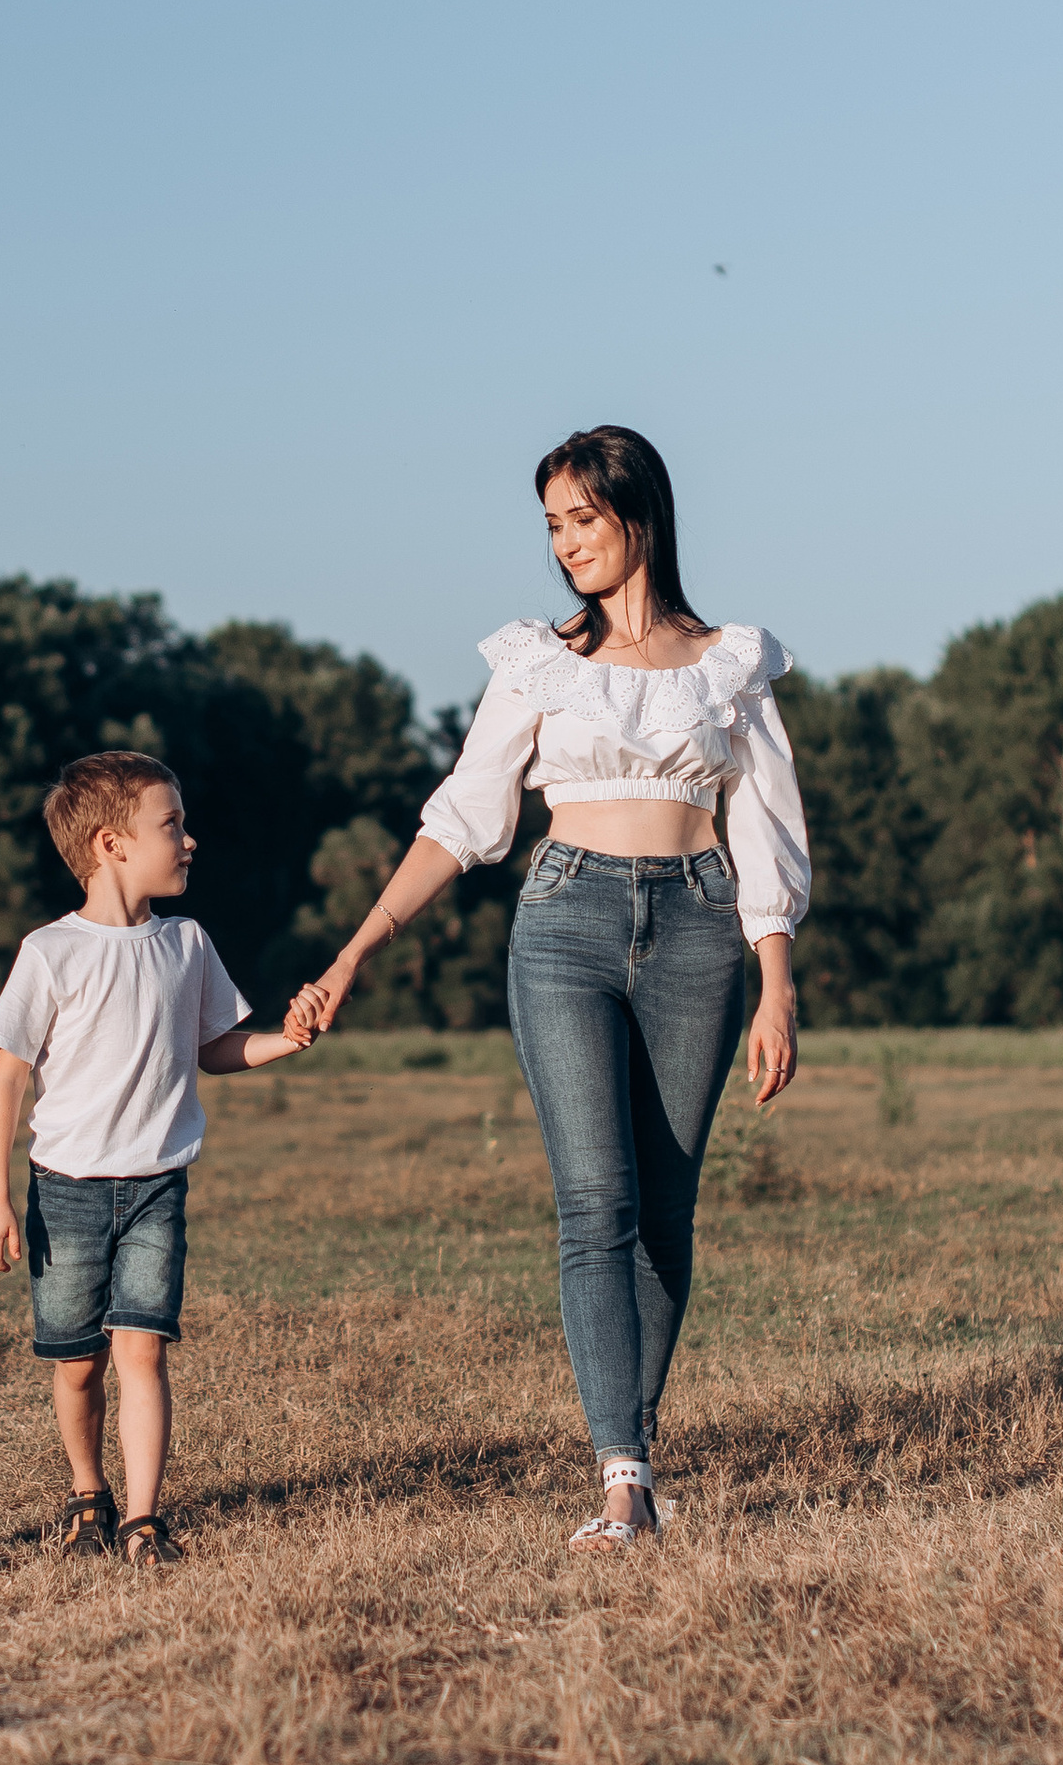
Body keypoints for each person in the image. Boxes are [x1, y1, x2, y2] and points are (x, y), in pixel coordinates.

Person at [293, 424, 808, 1554]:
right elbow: (463, 818)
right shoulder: (539, 661)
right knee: (596, 1206)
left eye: (583, 518)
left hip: (700, 924)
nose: (566, 544)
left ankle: (638, 1441)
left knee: (665, 1213)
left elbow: (765, 834)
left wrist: (776, 986)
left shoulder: (731, 661)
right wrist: (353, 954)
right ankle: (620, 1478)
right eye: (552, 526)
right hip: (565, 919)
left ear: (640, 515)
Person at [0, 754, 315, 1568]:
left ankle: (142, 1519)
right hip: (66, 1193)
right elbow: (7, 1083)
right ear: (111, 843)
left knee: (143, 1352)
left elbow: (216, 1048)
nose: (190, 840)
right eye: (172, 825)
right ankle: (89, 1493)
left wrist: (284, 1041)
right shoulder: (51, 952)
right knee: (78, 1366)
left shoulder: (187, 944)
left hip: (158, 1187)